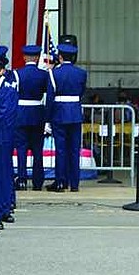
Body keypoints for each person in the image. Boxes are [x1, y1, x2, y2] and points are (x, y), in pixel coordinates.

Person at [45, 41, 88, 192]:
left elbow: (50, 98)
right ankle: (74, 184)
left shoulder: (53, 73)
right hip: (75, 113)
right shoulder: (81, 73)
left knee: (61, 150)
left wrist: (47, 118)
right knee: (74, 149)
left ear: (60, 57)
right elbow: (82, 92)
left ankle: (60, 182)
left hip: (59, 113)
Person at [14, 45, 48, 191]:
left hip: (21, 114)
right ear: (37, 57)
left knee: (21, 149)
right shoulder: (44, 75)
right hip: (37, 114)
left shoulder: (17, 73)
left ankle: (21, 180)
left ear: (24, 57)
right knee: (37, 150)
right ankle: (38, 181)